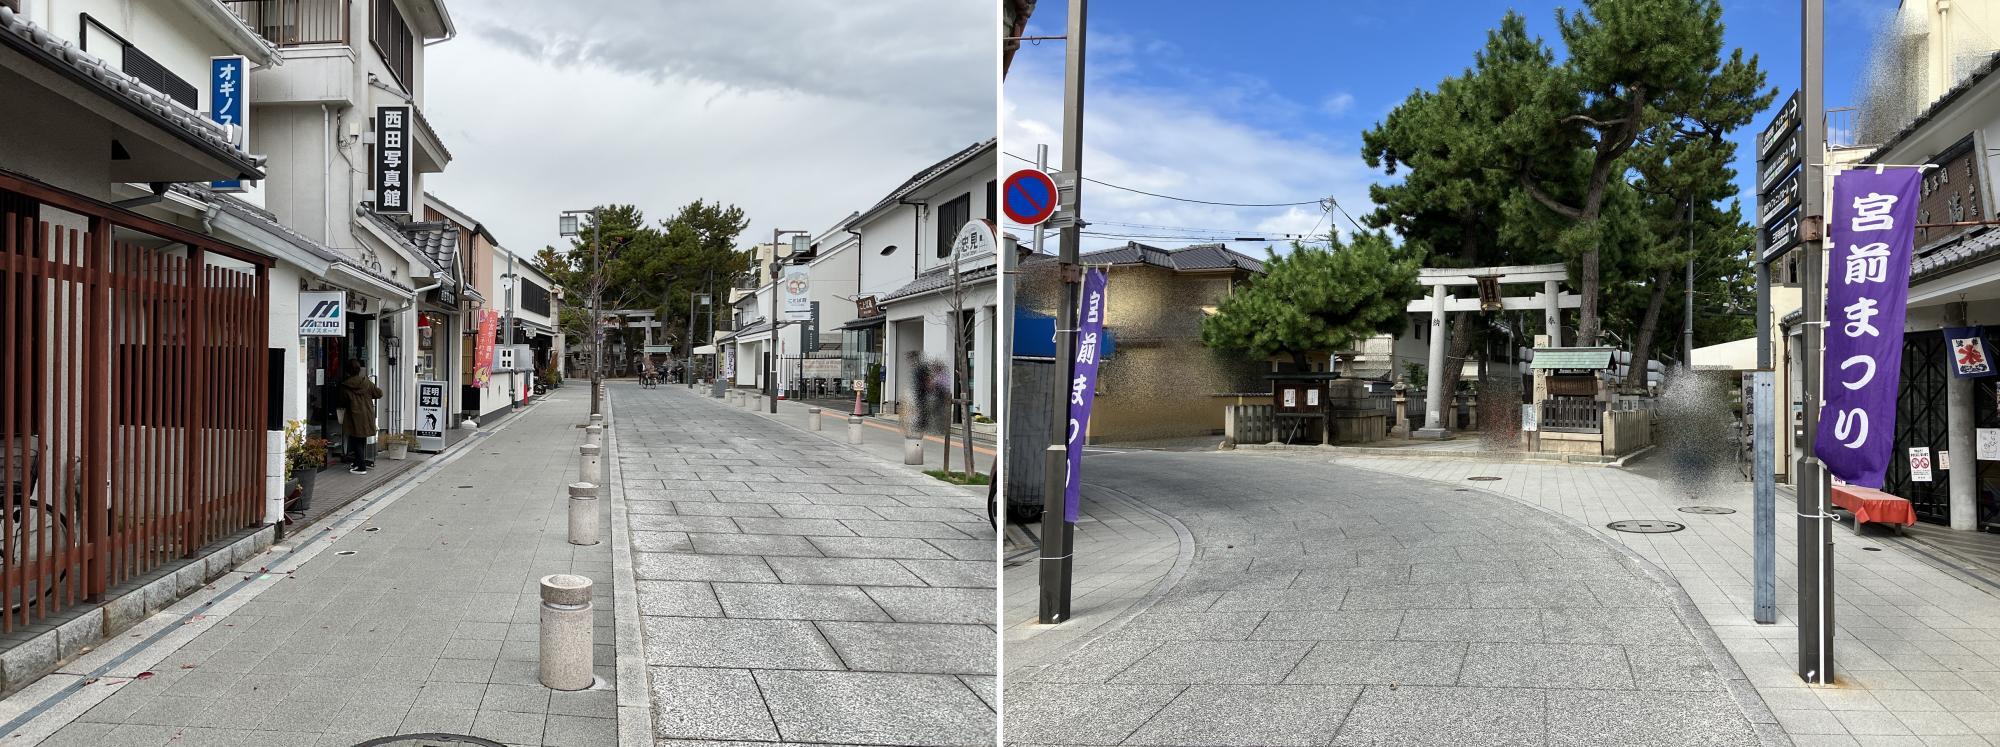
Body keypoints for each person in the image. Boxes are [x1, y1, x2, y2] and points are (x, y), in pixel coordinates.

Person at [341, 361, 384, 474]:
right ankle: (357, 463)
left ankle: (361, 467)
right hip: (367, 414)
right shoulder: (367, 382)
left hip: (354, 416)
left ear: (347, 371)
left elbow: (342, 401)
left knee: (356, 440)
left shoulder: (345, 386)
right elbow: (379, 393)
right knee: (361, 439)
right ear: (359, 370)